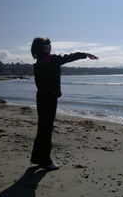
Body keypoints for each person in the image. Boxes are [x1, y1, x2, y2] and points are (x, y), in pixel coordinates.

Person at [30, 37, 99, 170]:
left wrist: (84, 54)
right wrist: (85, 54)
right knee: (46, 130)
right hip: (49, 99)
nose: (49, 46)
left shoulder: (39, 60)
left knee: (43, 128)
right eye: (46, 45)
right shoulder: (51, 59)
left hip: (41, 98)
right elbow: (68, 57)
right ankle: (45, 161)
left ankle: (37, 158)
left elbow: (66, 57)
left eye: (49, 44)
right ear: (40, 47)